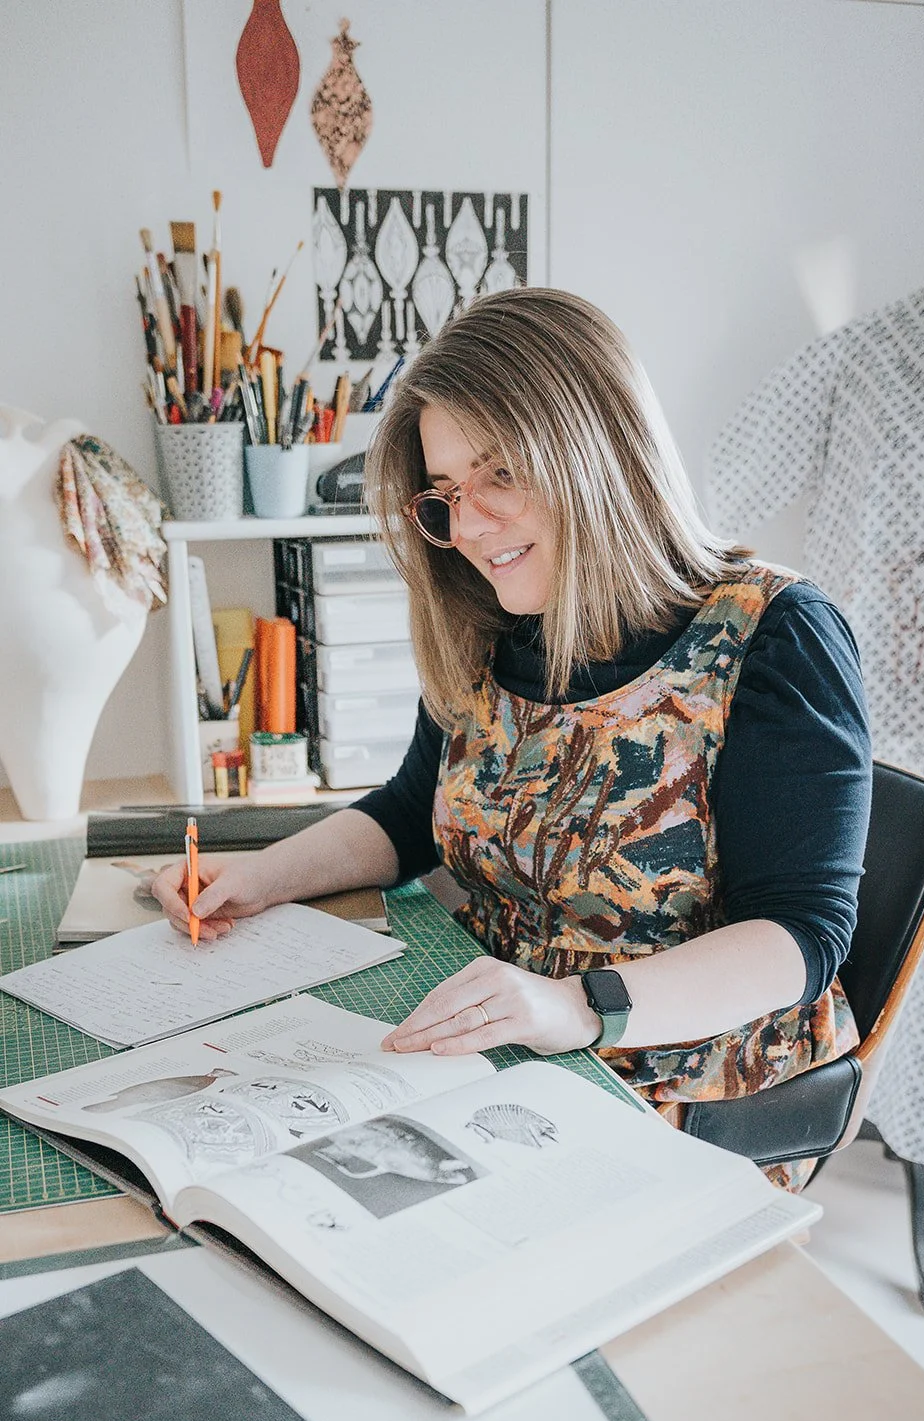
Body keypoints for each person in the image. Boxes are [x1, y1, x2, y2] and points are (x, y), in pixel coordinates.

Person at [154, 287, 872, 1190]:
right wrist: (256, 877)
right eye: (446, 494)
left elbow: (797, 937)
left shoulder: (772, 632)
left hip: (680, 1084)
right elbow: (414, 810)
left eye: (499, 474)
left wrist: (575, 1007)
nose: (468, 527)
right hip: (499, 1047)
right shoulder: (491, 622)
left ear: (596, 451)